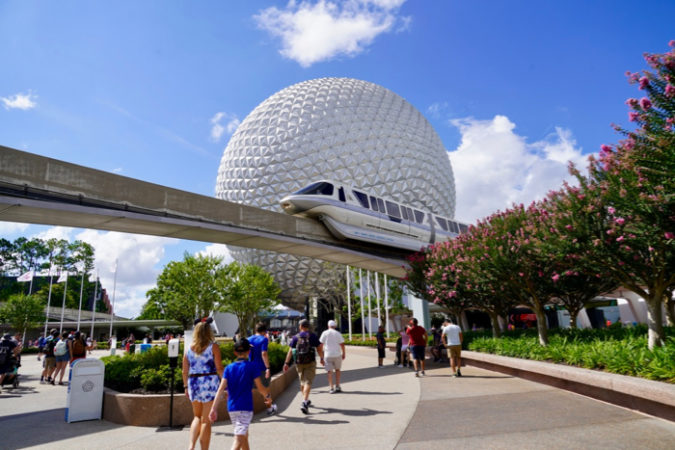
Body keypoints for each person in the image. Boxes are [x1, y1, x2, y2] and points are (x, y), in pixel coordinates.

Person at [209, 338, 273, 450]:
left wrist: (213, 408)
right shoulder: (252, 366)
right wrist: (267, 397)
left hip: (232, 408)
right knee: (239, 438)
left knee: (243, 435)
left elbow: (220, 389)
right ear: (249, 352)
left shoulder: (229, 368)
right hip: (245, 407)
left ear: (234, 352)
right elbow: (260, 388)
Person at [182, 317, 223, 450]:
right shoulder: (213, 347)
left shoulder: (189, 349)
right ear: (208, 332)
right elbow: (219, 368)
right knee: (206, 420)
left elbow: (184, 371)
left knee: (196, 417)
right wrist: (225, 383)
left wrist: (186, 387)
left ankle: (191, 446)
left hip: (193, 383)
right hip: (209, 383)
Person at [283, 319, 323, 414]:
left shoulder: (295, 337)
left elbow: (290, 351)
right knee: (308, 381)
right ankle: (305, 402)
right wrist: (322, 358)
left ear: (300, 326)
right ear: (308, 326)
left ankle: (305, 399)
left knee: (302, 382)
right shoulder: (312, 336)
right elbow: (319, 348)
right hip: (310, 362)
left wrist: (286, 363)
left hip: (299, 362)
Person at [319, 319, 345, 393]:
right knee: (337, 370)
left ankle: (331, 388)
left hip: (327, 355)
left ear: (328, 326)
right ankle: (337, 386)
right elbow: (342, 344)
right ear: (335, 326)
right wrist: (344, 353)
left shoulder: (324, 333)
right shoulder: (338, 333)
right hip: (337, 355)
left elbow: (320, 344)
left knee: (329, 372)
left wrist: (321, 356)